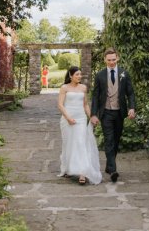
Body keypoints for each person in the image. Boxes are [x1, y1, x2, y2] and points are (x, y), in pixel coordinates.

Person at [90, 48, 136, 183]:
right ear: (105, 60)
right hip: (106, 113)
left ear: (118, 58)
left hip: (120, 112)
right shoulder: (100, 75)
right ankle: (114, 170)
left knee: (116, 141)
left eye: (113, 60)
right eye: (109, 60)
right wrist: (94, 114)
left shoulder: (124, 74)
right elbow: (95, 96)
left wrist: (132, 108)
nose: (111, 62)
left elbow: (130, 93)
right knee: (109, 140)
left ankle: (109, 166)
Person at [57, 66, 102, 185]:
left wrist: (91, 116)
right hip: (67, 119)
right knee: (69, 144)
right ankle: (68, 168)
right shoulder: (64, 88)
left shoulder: (83, 88)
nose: (79, 77)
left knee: (81, 143)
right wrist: (68, 118)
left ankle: (82, 173)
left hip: (81, 119)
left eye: (80, 74)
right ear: (70, 75)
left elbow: (85, 105)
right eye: (77, 74)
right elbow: (60, 105)